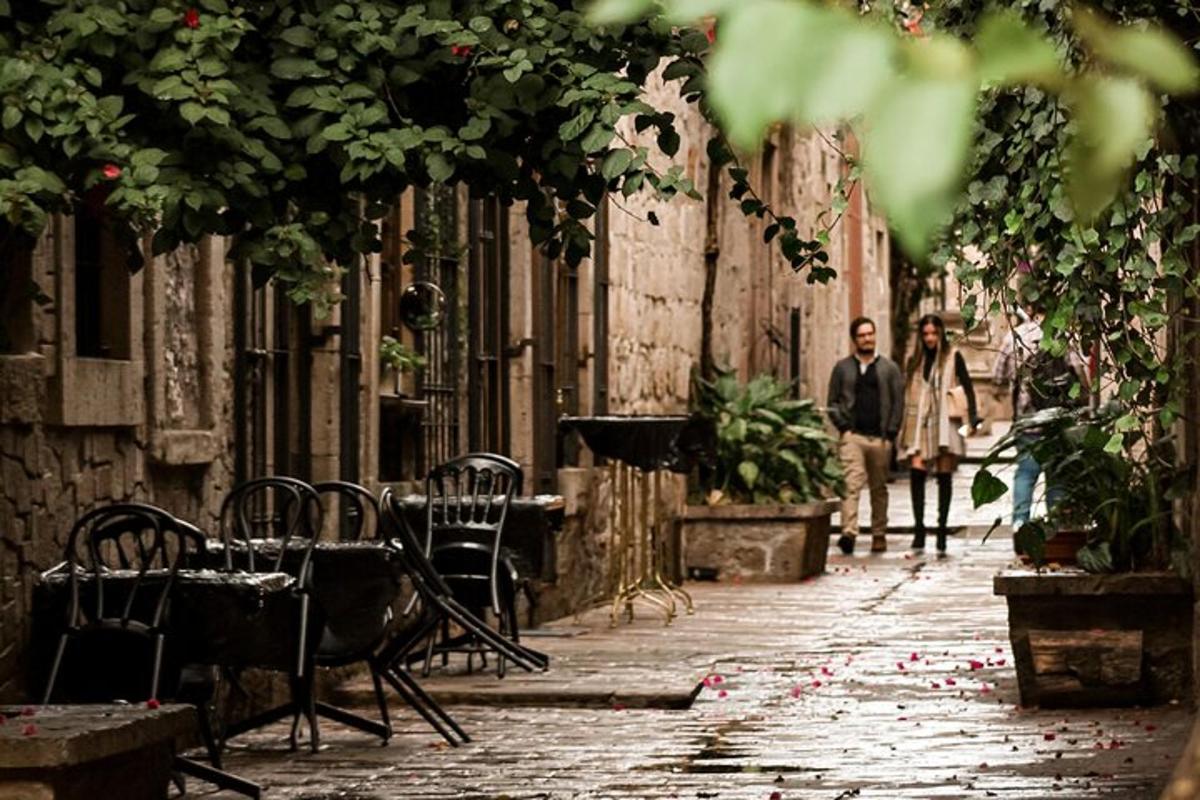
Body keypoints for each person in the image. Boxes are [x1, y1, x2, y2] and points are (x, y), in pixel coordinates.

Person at [991, 305, 1088, 529]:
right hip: (1058, 423)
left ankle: (1020, 524)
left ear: (1028, 308)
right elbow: (1081, 378)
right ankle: (1058, 525)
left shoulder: (1015, 337)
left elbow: (997, 377)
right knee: (1057, 476)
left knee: (1025, 473)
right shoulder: (1061, 336)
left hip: (1028, 422)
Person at [897, 314, 978, 555]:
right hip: (920, 423)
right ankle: (919, 530)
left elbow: (967, 386)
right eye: (926, 334)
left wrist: (972, 418)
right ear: (921, 336)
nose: (930, 338)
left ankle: (941, 531)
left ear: (941, 333)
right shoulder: (915, 361)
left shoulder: (953, 356)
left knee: (944, 476)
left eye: (934, 333)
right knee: (917, 471)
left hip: (946, 423)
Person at [827, 317, 905, 555]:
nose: (867, 339)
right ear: (854, 339)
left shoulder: (889, 368)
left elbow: (898, 403)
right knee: (851, 485)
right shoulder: (843, 368)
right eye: (862, 335)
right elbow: (833, 401)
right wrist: (843, 427)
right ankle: (849, 532)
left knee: (879, 489)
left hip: (880, 439)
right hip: (853, 437)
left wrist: (891, 434)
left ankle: (879, 533)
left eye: (870, 334)